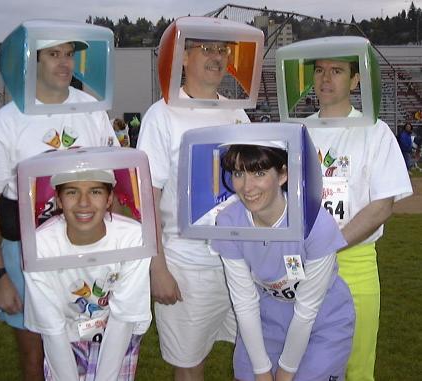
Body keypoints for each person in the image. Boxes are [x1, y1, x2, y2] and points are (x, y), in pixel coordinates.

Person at [0, 38, 118, 380]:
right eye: (53, 54)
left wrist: (121, 252)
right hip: (25, 254)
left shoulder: (91, 110)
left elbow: (117, 180)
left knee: (91, 347)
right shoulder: (9, 119)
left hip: (86, 251)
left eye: (68, 55)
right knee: (33, 353)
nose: (64, 62)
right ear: (32, 62)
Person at [137, 37, 250, 380]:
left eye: (222, 50)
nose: (216, 57)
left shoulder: (237, 112)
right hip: (187, 264)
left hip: (241, 262)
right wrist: (157, 267)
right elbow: (146, 196)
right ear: (183, 58)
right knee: (188, 365)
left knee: (253, 357)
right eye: (206, 49)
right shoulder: (162, 115)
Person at [307, 57, 413, 381]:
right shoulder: (298, 130)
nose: (326, 78)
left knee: (356, 366)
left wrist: (331, 244)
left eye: (337, 70)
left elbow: (382, 206)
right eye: (319, 70)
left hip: (356, 264)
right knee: (303, 364)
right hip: (303, 266)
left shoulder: (374, 131)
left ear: (355, 81)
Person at [212, 143, 355, 381]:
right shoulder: (229, 223)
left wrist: (285, 373)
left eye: (259, 173)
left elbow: (307, 309)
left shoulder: (316, 224)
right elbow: (244, 301)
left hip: (323, 319)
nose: (247, 187)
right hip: (268, 318)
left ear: (283, 174)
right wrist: (261, 371)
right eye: (238, 173)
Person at [24, 169, 151, 381]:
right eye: (72, 192)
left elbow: (123, 316)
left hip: (118, 331)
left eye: (95, 192)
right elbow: (52, 326)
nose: (84, 202)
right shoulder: (40, 246)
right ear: (59, 200)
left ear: (109, 198)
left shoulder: (132, 238)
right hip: (65, 334)